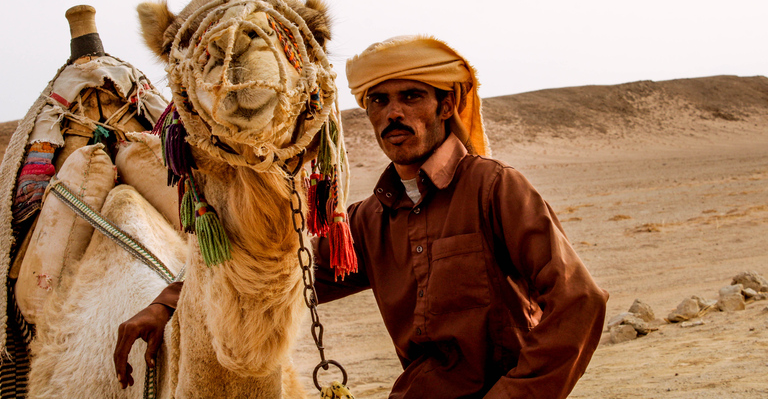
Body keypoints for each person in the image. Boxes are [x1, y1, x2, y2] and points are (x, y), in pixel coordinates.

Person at [115, 35, 608, 398]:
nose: (393, 112)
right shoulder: (370, 221)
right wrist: (166, 305)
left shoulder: (494, 187)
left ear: (444, 105)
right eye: (379, 100)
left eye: (411, 96)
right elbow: (279, 273)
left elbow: (578, 299)